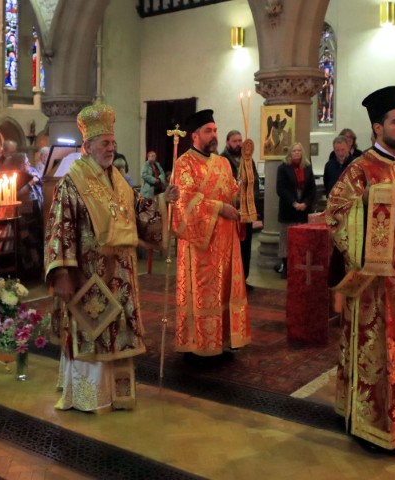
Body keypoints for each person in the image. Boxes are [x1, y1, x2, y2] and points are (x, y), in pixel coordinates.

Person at [326, 86, 395, 450]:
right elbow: (335, 216)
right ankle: (371, 424)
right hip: (376, 282)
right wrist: (369, 201)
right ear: (378, 128)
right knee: (380, 351)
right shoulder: (359, 169)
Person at [45, 103, 178, 413]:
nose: (111, 148)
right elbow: (60, 228)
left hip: (122, 273)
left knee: (119, 334)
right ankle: (89, 397)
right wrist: (62, 273)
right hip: (89, 275)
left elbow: (138, 209)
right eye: (105, 143)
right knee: (93, 332)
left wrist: (163, 201)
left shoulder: (117, 178)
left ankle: (117, 395)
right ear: (87, 146)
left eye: (113, 142)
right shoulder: (71, 183)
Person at [171, 109, 250, 356]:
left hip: (226, 242)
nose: (213, 135)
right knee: (204, 293)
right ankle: (200, 344)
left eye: (215, 130)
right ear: (195, 135)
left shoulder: (223, 163)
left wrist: (244, 191)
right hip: (201, 246)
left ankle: (223, 340)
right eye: (208, 131)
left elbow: (232, 193)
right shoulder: (184, 164)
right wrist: (219, 208)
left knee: (225, 290)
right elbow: (184, 202)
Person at [220, 130, 261, 290]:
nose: (238, 144)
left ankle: (243, 279)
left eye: (240, 140)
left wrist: (251, 201)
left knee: (246, 246)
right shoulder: (222, 160)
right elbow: (222, 185)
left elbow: (255, 182)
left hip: (247, 210)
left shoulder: (248, 159)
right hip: (231, 211)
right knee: (232, 248)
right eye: (235, 141)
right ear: (227, 142)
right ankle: (230, 281)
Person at [275, 142, 316, 278]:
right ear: (290, 153)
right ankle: (286, 269)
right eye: (294, 151)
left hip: (304, 210)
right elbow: (281, 189)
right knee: (287, 241)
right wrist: (294, 203)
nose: (297, 153)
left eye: (299, 150)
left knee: (302, 241)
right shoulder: (283, 168)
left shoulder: (307, 167)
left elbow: (312, 189)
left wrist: (305, 203)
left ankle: (300, 268)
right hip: (288, 209)